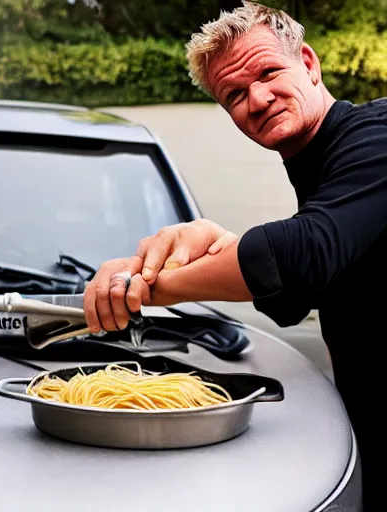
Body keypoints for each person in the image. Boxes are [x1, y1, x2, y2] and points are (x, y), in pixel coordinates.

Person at [83, 1, 386, 509]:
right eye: (235, 95)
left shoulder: (377, 133)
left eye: (269, 72)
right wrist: (216, 240)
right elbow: (293, 296)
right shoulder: (326, 174)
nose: (259, 98)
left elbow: (303, 254)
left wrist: (140, 289)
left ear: (308, 63)